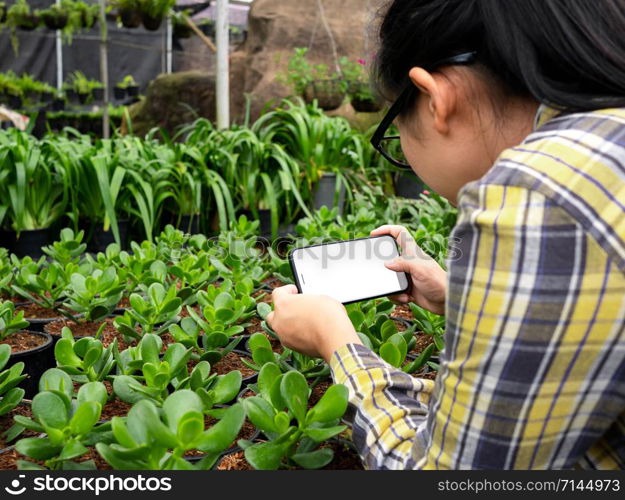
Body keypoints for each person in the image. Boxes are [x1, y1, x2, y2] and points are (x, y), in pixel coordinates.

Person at [266, 0, 625, 469]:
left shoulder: (537, 191)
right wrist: (463, 296)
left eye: (394, 134)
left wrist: (335, 343)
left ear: (434, 97)